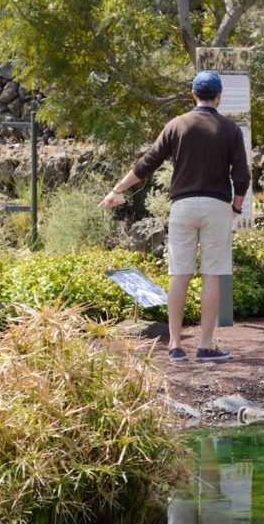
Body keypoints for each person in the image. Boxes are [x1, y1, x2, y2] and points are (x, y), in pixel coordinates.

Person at [99, 71, 249, 363]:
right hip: (216, 205)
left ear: (193, 94)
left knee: (179, 274)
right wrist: (235, 207)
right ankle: (205, 345)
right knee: (212, 275)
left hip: (181, 205)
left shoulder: (176, 125)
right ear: (218, 97)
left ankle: (175, 345)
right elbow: (241, 176)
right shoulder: (230, 129)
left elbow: (147, 163)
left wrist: (116, 189)